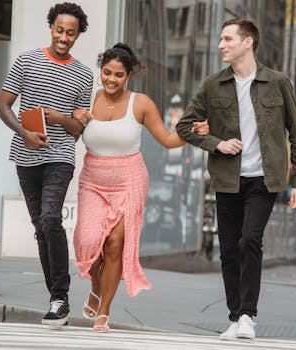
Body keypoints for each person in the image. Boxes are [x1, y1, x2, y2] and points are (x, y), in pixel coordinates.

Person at [176, 18, 296, 340]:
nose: (221, 45)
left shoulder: (277, 82)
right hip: (227, 179)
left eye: (227, 39)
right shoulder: (212, 85)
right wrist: (216, 143)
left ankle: (248, 315)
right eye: (221, 39)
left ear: (247, 42)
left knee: (250, 240)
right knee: (229, 250)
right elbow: (184, 126)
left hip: (264, 178)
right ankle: (235, 318)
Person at [71, 43, 209, 333]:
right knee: (88, 241)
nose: (111, 79)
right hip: (93, 179)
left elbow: (168, 140)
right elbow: (69, 139)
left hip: (129, 179)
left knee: (115, 244)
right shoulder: (88, 98)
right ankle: (96, 287)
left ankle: (104, 312)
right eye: (106, 72)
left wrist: (192, 132)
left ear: (129, 75)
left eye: (118, 75)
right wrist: (71, 121)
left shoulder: (141, 103)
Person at [0, 2, 93, 327]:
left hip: (60, 156)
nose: (64, 37)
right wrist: (25, 132)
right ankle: (57, 299)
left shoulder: (84, 74)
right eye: (60, 30)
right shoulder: (25, 61)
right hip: (26, 155)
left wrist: (58, 118)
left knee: (51, 218)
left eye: (71, 33)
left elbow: (79, 128)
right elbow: (3, 106)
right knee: (40, 227)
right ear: (51, 27)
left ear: (78, 35)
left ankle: (60, 296)